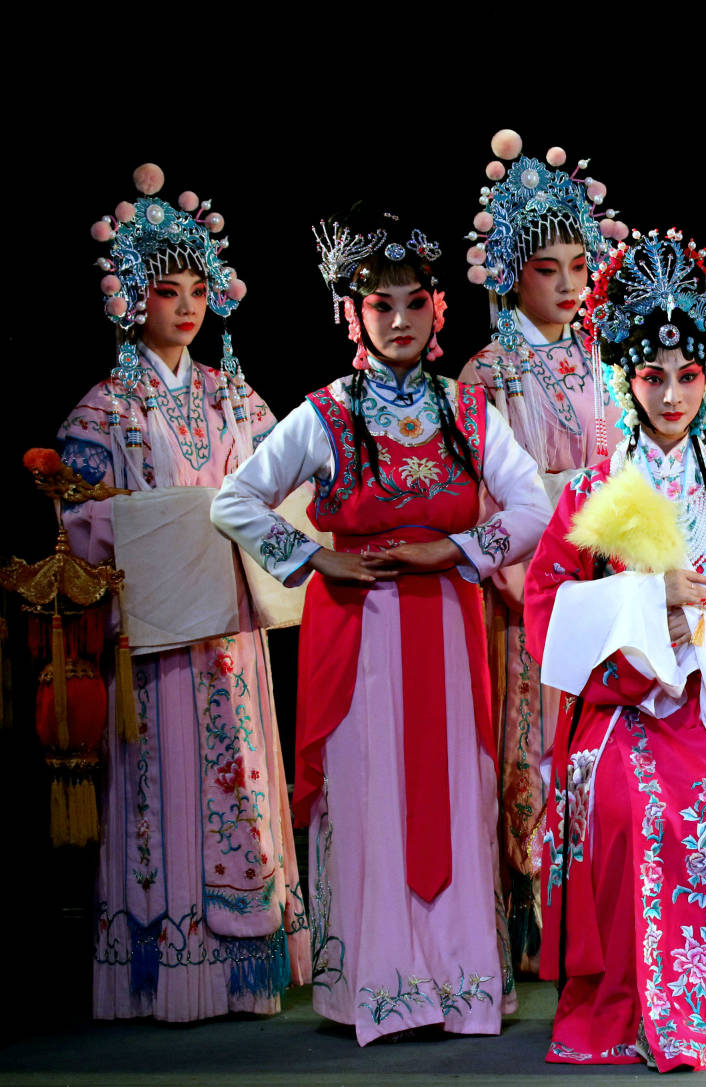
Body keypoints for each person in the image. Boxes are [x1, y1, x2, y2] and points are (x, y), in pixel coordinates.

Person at [211, 212, 552, 1043]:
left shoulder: (468, 410)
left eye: (414, 303)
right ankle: (377, 985)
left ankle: (462, 983)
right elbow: (234, 500)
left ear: (439, 309)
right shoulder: (326, 414)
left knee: (457, 791)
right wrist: (315, 557)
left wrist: (457, 549)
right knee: (368, 796)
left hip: (449, 624)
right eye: (380, 306)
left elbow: (534, 505)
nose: (400, 320)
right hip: (358, 630)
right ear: (353, 316)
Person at [526, 228, 706, 1069]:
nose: (671, 394)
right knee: (629, 804)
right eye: (652, 376)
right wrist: (644, 601)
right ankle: (633, 1001)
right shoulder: (592, 495)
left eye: (689, 375)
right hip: (623, 711)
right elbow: (548, 606)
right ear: (626, 378)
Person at [59, 163, 308, 1021]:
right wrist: (160, 526)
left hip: (232, 630)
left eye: (200, 290)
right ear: (132, 300)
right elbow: (79, 525)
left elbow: (286, 483)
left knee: (243, 778)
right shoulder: (104, 412)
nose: (188, 307)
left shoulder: (232, 394)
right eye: (168, 291)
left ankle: (247, 965)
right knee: (162, 792)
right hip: (159, 635)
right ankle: (170, 969)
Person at [460, 130, 626, 971]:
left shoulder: (604, 364)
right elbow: (481, 498)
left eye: (578, 266)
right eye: (546, 268)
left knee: (592, 743)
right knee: (525, 743)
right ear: (509, 275)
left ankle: (591, 906)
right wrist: (534, 577)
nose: (567, 284)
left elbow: (624, 472)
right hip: (525, 588)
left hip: (599, 581)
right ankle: (526, 910)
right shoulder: (485, 375)